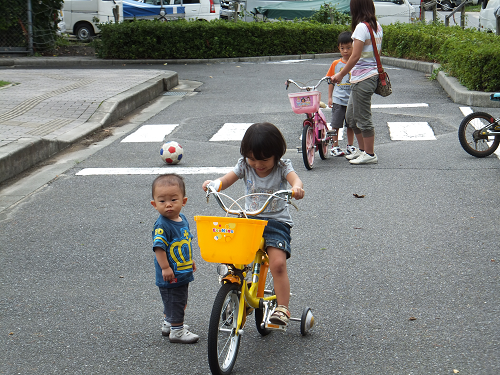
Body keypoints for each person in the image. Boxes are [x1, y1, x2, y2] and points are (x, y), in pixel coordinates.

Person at [202, 122, 305, 326]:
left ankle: (282, 307)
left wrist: (297, 188)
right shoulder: (244, 166)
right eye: (252, 158)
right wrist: (214, 185)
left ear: (277, 154)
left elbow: (296, 181)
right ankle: (234, 291)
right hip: (249, 220)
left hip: (276, 222)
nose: (257, 164)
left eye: (264, 160)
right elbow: (226, 180)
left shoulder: (283, 167)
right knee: (232, 260)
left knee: (277, 264)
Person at [330, 0, 383, 164]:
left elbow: (355, 56)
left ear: (356, 8)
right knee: (351, 117)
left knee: (362, 117)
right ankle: (362, 150)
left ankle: (370, 153)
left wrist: (340, 75)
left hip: (364, 78)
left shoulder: (361, 27)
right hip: (364, 77)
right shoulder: (376, 26)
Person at [150, 173, 199, 344]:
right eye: (162, 201)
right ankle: (176, 331)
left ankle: (168, 323)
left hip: (181, 271)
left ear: (183, 201)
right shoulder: (162, 225)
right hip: (171, 274)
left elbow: (184, 242)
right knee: (176, 300)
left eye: (173, 199)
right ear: (154, 204)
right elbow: (159, 248)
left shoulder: (182, 219)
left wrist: (189, 260)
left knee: (175, 300)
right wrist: (165, 267)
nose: (168, 204)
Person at [326, 31, 356, 157]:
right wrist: (330, 97)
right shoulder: (335, 64)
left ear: (354, 47)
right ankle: (335, 146)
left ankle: (350, 145)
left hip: (351, 100)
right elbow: (330, 81)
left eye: (349, 48)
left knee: (351, 125)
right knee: (335, 125)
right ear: (338, 47)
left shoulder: (356, 63)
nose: (345, 51)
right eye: (342, 48)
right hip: (338, 100)